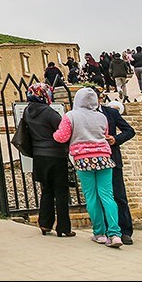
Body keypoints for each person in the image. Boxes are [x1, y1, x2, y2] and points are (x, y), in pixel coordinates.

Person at [53, 87, 123, 247]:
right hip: (104, 157)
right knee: (107, 196)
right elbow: (104, 133)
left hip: (83, 159)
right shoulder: (102, 117)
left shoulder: (71, 116)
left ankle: (99, 233)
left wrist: (54, 133)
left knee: (91, 197)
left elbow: (61, 137)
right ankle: (115, 234)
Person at [23, 82, 74, 237]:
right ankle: (63, 227)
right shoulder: (49, 112)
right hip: (55, 155)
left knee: (46, 190)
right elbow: (63, 132)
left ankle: (45, 224)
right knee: (61, 191)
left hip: (39, 156)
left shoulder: (27, 112)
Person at [95, 93, 136, 245]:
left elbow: (129, 130)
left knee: (119, 196)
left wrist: (115, 139)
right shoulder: (82, 114)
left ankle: (125, 231)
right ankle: (107, 230)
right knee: (101, 197)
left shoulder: (111, 113)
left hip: (112, 158)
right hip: (94, 160)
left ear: (100, 99)